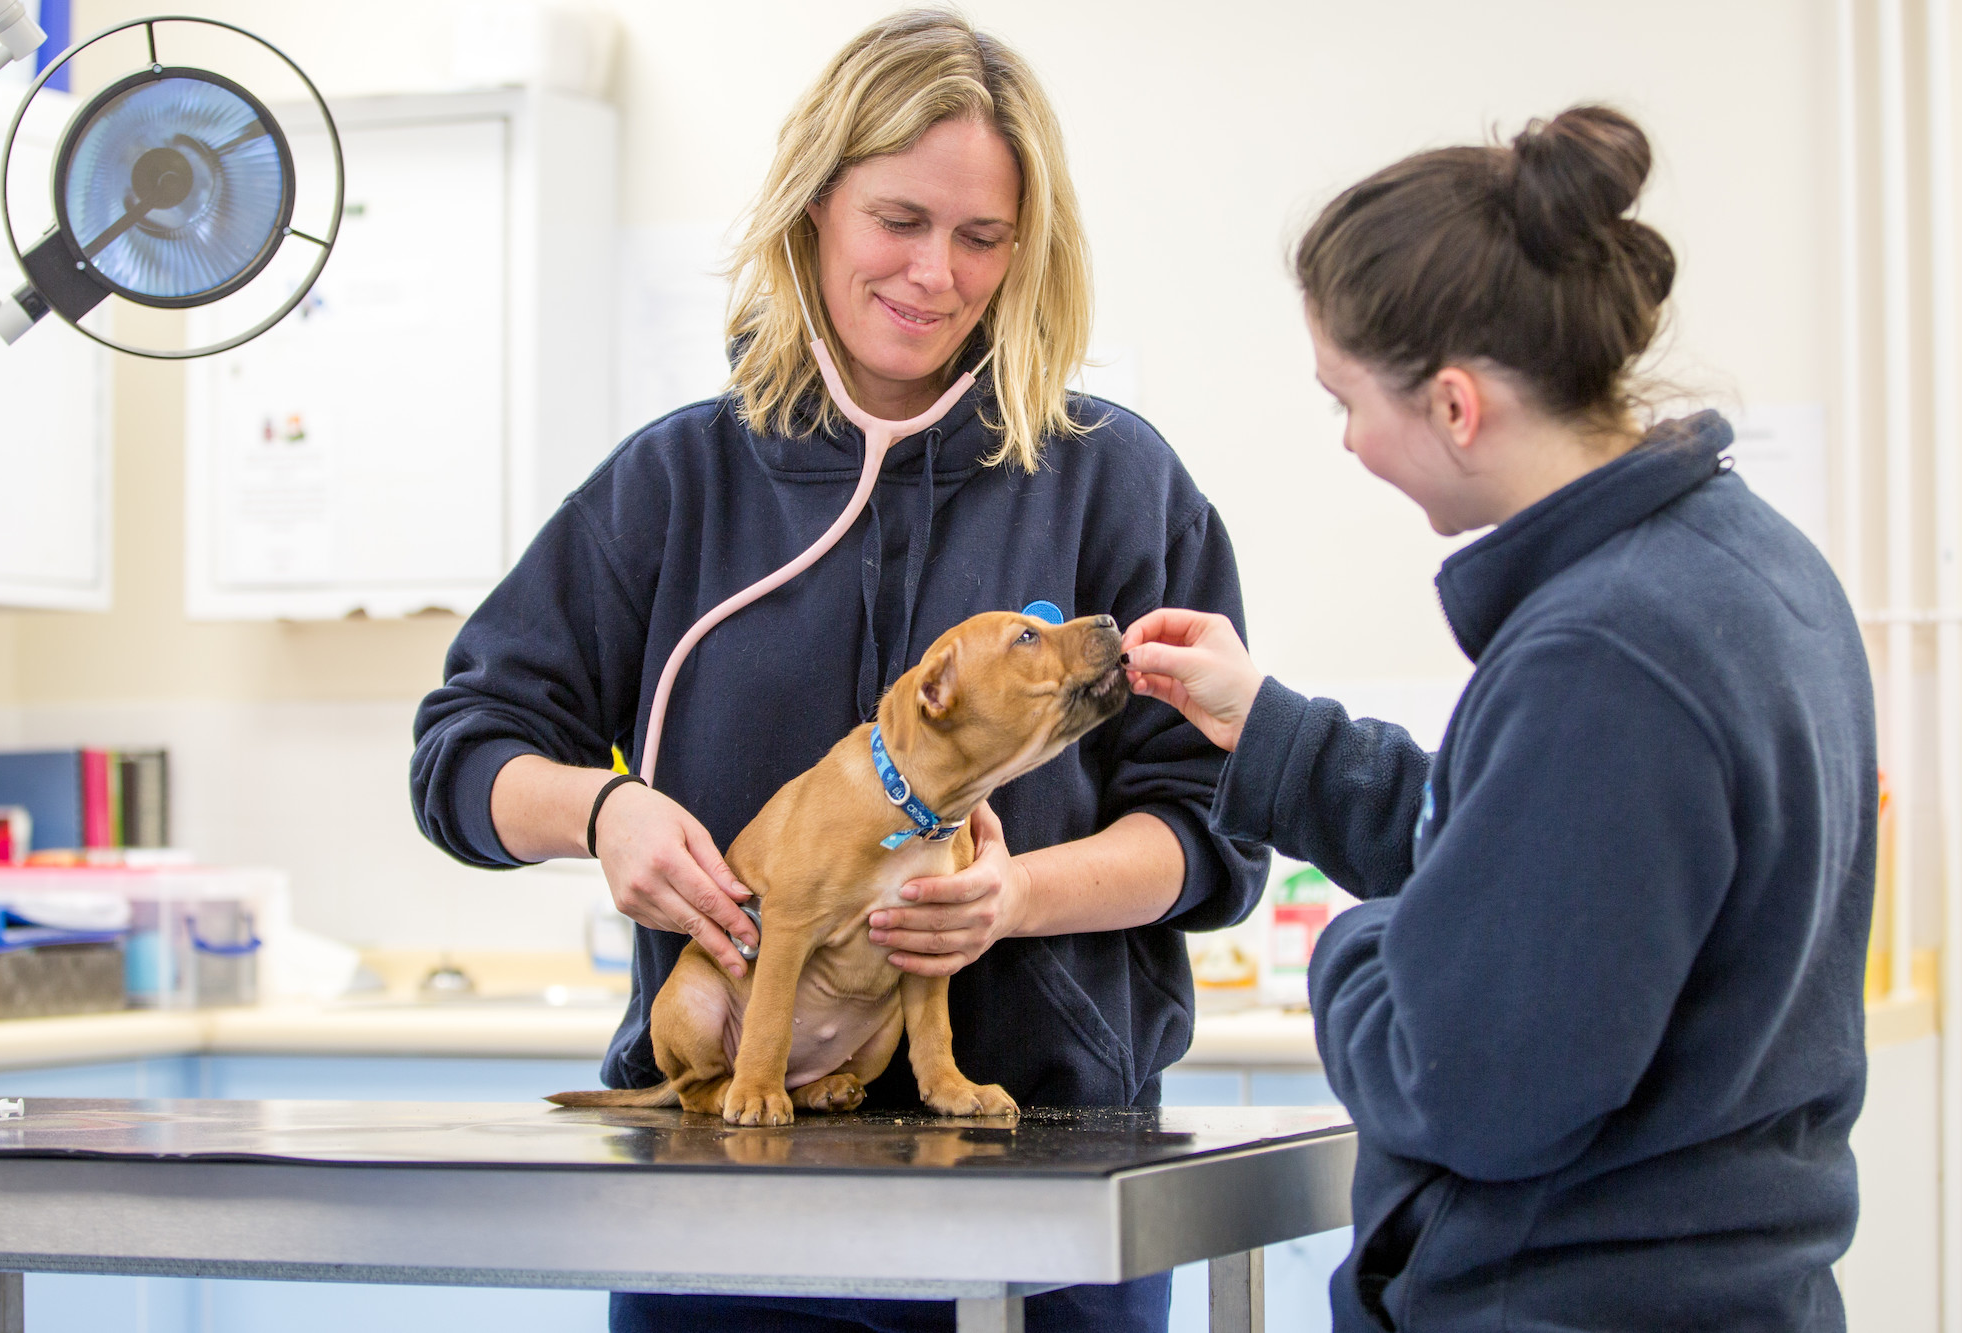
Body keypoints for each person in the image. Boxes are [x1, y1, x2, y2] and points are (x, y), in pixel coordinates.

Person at [410, 10, 1266, 1332]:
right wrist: (599, 812)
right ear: (815, 208)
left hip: (1044, 1179)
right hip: (726, 1192)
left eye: (984, 238)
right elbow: (464, 750)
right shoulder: (679, 483)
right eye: (899, 221)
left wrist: (1012, 895)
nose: (936, 273)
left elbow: (1211, 835)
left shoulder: (1113, 482)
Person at [1124, 106, 1876, 1332]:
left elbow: (1466, 1077)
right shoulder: (1742, 565)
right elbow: (1545, 875)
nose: (1351, 440)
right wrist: (1270, 732)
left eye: (1344, 402)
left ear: (1457, 406)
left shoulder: (1604, 652)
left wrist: (1358, 947)